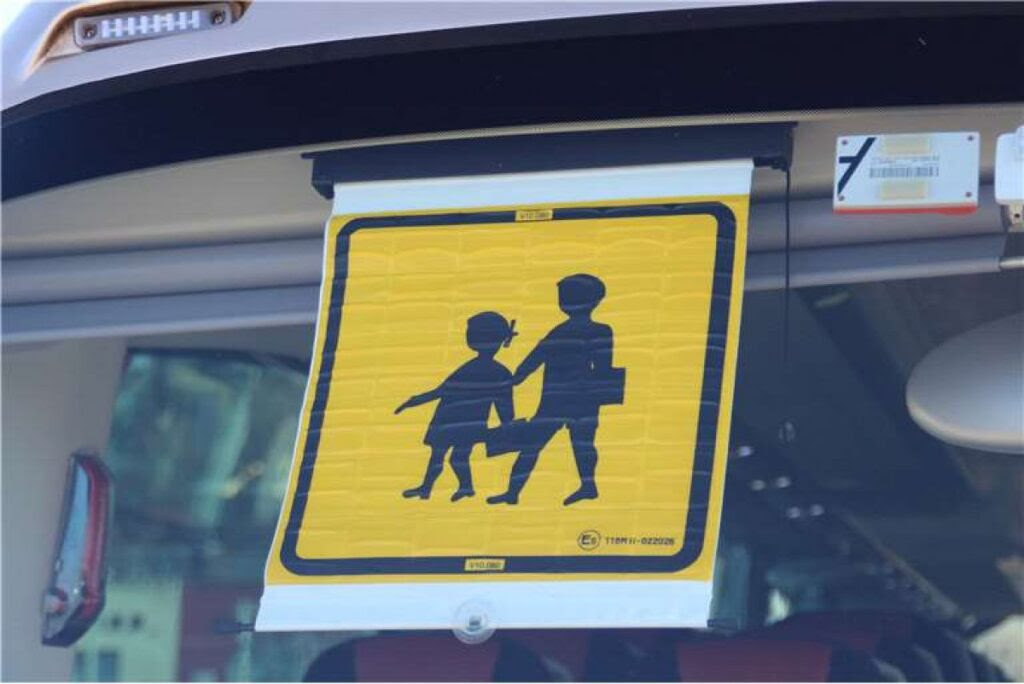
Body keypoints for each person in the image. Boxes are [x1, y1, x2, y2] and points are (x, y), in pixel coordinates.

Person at [487, 274, 618, 506]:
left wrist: (516, 378)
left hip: (565, 399)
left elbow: (535, 358)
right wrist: (516, 378)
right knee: (573, 445)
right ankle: (515, 492)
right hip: (570, 399)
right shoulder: (591, 330)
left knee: (545, 446)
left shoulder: (568, 331)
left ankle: (585, 487)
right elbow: (538, 357)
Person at [396, 312, 516, 502]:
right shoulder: (498, 371)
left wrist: (507, 426)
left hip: (458, 420)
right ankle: (435, 488)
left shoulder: (489, 371)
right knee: (448, 457)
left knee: (447, 457)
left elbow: (503, 403)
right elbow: (504, 405)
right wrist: (416, 400)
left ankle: (459, 487)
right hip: (456, 419)